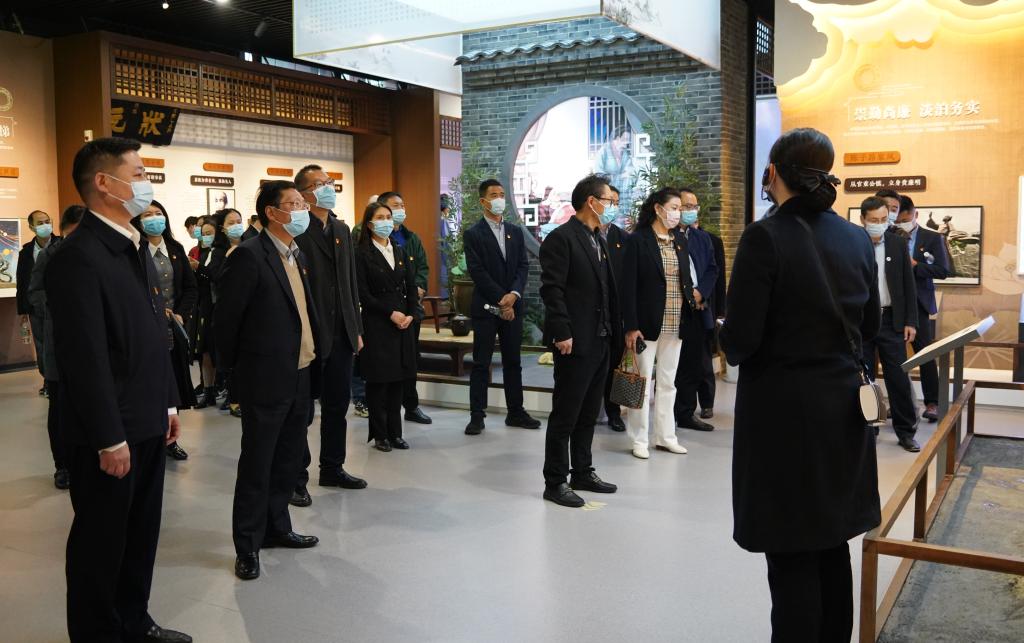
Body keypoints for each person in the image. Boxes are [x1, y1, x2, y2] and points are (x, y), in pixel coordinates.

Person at [721, 128, 881, 642]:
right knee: (833, 540)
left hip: (785, 414)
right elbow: (870, 327)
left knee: (790, 548)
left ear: (772, 173)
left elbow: (740, 342)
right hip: (844, 408)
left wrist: (725, 332)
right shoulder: (856, 237)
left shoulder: (764, 237)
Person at [47, 137, 190, 642]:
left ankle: (134, 621)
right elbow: (83, 359)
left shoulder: (132, 245)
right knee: (101, 541)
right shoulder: (78, 256)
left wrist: (167, 402)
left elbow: (154, 333)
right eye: (140, 172)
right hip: (110, 433)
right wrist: (109, 436)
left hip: (147, 416)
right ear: (105, 183)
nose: (147, 182)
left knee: (141, 532)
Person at [215, 180, 321, 581]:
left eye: (302, 202)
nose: (302, 209)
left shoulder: (297, 252)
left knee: (288, 459)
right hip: (264, 377)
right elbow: (227, 321)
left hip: (300, 372)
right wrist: (234, 379)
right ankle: (247, 544)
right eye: (293, 203)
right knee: (257, 463)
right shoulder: (249, 255)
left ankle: (278, 527)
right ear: (272, 212)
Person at [539, 173, 620, 508]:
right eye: (609, 200)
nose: (613, 206)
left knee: (589, 412)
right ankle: (555, 481)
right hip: (574, 340)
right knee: (566, 414)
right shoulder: (561, 238)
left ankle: (582, 471)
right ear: (592, 201)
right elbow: (552, 290)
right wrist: (562, 332)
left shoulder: (599, 238)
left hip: (600, 338)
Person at [292, 164, 367, 506]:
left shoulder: (340, 228)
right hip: (309, 332)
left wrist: (356, 329)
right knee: (302, 410)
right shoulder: (297, 229)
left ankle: (333, 467)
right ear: (305, 193)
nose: (328, 188)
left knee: (338, 404)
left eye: (330, 182)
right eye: (320, 183)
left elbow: (350, 284)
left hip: (341, 332)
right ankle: (296, 477)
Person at [620, 187, 694, 459]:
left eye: (679, 209)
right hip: (646, 323)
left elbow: (685, 279)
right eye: (674, 207)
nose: (677, 213)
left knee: (668, 381)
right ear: (658, 208)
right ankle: (639, 439)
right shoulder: (638, 240)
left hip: (675, 321)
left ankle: (665, 436)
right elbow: (628, 287)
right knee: (641, 381)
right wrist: (631, 325)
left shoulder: (679, 240)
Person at [463, 179, 540, 435]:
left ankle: (515, 412)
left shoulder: (515, 232)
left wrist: (514, 295)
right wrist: (502, 298)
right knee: (481, 363)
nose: (499, 199)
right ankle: (477, 415)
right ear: (483, 201)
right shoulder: (473, 234)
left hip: (513, 307)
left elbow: (522, 266)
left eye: (502, 194)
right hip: (486, 308)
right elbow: (477, 271)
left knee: (513, 362)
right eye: (494, 195)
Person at [132, 201, 200, 461]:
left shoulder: (175, 248)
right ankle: (149, 439)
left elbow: (190, 287)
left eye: (158, 213)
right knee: (150, 384)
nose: (154, 218)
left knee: (174, 384)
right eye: (147, 215)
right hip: (146, 329)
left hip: (174, 329)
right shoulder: (133, 250)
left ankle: (171, 439)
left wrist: (181, 313)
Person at [28, 205, 86, 489]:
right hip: (59, 344)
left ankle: (87, 461)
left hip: (92, 347)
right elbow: (34, 292)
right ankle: (62, 465)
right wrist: (57, 304)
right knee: (59, 409)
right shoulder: (50, 255)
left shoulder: (100, 255)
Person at [355, 202, 418, 452]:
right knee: (379, 382)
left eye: (388, 217)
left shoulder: (399, 250)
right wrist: (390, 313)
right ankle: (380, 434)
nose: (386, 222)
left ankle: (396, 433)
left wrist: (411, 314)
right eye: (380, 217)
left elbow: (411, 286)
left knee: (398, 380)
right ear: (370, 224)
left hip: (403, 323)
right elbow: (363, 293)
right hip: (377, 322)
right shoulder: (361, 253)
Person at [860, 197, 921, 452]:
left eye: (884, 219)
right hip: (861, 321)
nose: (879, 224)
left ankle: (906, 432)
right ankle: (869, 429)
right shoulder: (854, 242)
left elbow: (908, 284)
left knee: (898, 377)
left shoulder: (897, 243)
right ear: (863, 220)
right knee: (865, 378)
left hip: (891, 320)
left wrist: (910, 321)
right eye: (874, 220)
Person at [377, 191, 433, 425]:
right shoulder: (366, 235)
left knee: (410, 359)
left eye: (402, 205)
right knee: (385, 362)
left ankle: (411, 405)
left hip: (410, 309)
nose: (400, 209)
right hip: (384, 312)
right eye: (395, 205)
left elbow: (422, 267)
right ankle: (382, 410)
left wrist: (418, 288)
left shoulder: (411, 238)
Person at [895, 195, 950, 423]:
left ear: (915, 215)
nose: (902, 224)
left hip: (919, 304)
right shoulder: (888, 235)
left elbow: (943, 270)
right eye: (898, 220)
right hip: (892, 304)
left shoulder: (932, 237)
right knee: (894, 356)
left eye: (905, 219)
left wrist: (916, 266)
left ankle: (932, 403)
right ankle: (900, 404)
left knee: (925, 354)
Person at [673, 188, 718, 432]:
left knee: (693, 365)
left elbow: (712, 269)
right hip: (672, 309)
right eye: (686, 206)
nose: (691, 211)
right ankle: (667, 415)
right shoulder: (665, 236)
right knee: (672, 367)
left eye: (694, 207)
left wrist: (700, 292)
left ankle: (686, 413)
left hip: (697, 309)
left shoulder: (701, 238)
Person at [17, 209, 60, 396]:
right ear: (31, 227)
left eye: (47, 221)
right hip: (36, 306)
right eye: (40, 223)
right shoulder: (26, 251)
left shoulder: (62, 245)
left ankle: (59, 381)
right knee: (41, 345)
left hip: (59, 305)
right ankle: (48, 381)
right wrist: (23, 311)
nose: (45, 226)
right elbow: (22, 281)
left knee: (58, 343)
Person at [601, 185, 629, 433]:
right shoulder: (581, 234)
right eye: (609, 201)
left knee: (614, 365)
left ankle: (613, 412)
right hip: (592, 314)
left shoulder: (623, 239)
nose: (613, 207)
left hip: (616, 314)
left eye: (616, 202)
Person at [698, 219, 726, 419]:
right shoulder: (675, 238)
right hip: (684, 311)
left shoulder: (712, 241)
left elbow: (719, 276)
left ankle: (707, 403)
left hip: (708, 306)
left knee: (705, 358)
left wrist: (721, 310)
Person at [191, 217, 220, 408]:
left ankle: (221, 389)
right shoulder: (202, 253)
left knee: (216, 351)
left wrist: (199, 268)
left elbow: (217, 276)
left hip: (217, 307)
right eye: (204, 234)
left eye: (210, 233)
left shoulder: (220, 253)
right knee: (205, 352)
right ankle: (208, 390)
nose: (206, 237)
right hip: (204, 306)